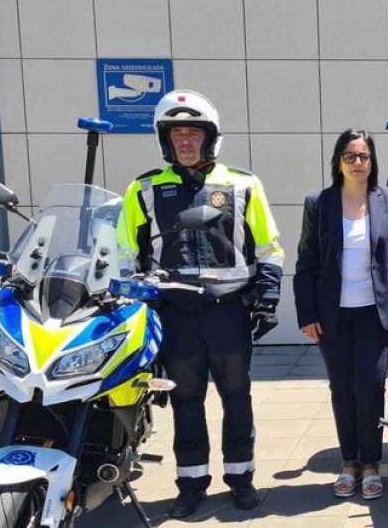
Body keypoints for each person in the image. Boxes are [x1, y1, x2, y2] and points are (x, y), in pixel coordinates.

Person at [120, 89, 284, 518]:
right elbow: (126, 259)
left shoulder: (243, 184)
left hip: (228, 310)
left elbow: (268, 247)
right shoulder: (143, 190)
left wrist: (267, 298)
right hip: (177, 317)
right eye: (177, 134)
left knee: (237, 396)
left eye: (193, 133)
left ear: (210, 138)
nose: (186, 142)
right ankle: (191, 482)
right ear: (165, 140)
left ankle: (241, 478)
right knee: (186, 401)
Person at [294, 129, 388, 501]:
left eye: (364, 156)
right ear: (338, 161)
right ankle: (349, 462)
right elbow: (305, 262)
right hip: (332, 315)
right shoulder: (319, 203)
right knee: (341, 388)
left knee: (369, 387)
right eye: (351, 156)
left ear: (373, 162)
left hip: (375, 312)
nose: (358, 163)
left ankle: (371, 463)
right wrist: (306, 313)